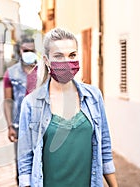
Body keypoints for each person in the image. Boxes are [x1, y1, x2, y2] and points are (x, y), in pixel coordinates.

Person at [18, 28, 118, 187]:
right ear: (46, 60)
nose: (66, 61)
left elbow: (104, 147)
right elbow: (25, 158)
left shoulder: (93, 97)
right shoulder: (31, 104)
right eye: (58, 56)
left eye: (72, 55)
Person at [3, 38, 38, 184]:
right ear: (20, 51)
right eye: (26, 50)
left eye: (32, 50)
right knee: (22, 164)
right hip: (19, 125)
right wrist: (10, 125)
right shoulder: (10, 73)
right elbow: (7, 101)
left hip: (41, 124)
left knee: (41, 162)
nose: (29, 53)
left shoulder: (45, 71)